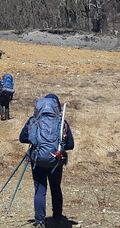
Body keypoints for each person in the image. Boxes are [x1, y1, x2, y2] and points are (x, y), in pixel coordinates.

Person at [19, 94, 74, 226]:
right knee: (56, 188)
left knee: (40, 190)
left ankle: (39, 221)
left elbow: (22, 138)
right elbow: (71, 145)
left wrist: (37, 143)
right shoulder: (62, 123)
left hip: (37, 160)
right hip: (56, 161)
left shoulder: (33, 121)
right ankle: (57, 218)